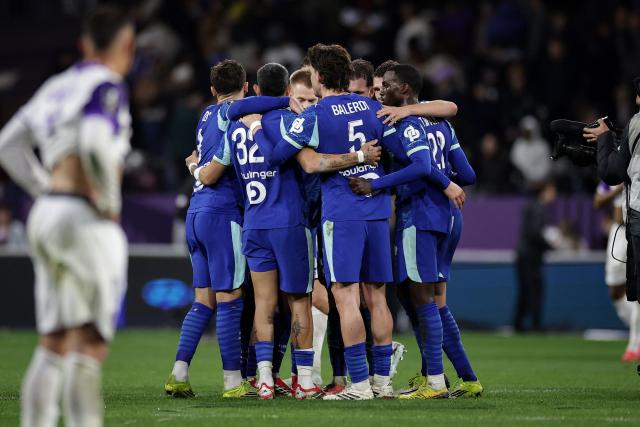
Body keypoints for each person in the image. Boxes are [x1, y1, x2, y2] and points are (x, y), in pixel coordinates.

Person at [198, 61, 382, 399]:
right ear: (286, 92)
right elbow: (308, 165)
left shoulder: (236, 128)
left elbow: (216, 170)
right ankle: (305, 381)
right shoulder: (292, 122)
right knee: (300, 301)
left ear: (255, 90)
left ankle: (264, 378)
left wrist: (195, 167)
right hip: (290, 224)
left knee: (264, 304)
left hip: (254, 223)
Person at [0, 7, 134, 426]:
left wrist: (43, 189)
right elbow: (95, 143)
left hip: (47, 212)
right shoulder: (107, 85)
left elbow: (7, 144)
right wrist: (108, 203)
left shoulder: (56, 85)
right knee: (89, 344)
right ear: (126, 47)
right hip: (83, 217)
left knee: (54, 340)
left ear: (84, 44)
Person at [244, 44, 398, 400]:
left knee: (344, 296)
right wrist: (364, 159)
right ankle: (383, 382)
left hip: (342, 213)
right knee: (377, 297)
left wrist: (256, 128)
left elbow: (282, 156)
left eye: (312, 70)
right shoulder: (373, 107)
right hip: (377, 211)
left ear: (320, 76)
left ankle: (358, 384)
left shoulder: (315, 116)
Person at [166, 60, 292, 399]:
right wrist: (289, 99)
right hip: (223, 214)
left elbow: (202, 161)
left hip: (196, 212)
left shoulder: (206, 115)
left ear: (211, 89)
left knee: (202, 301)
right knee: (230, 298)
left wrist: (194, 166)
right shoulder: (230, 111)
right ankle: (233, 381)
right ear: (248, 86)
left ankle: (179, 372)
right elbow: (272, 102)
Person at [349, 64, 465, 400]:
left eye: (378, 87)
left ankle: (428, 377)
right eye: (368, 90)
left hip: (398, 215)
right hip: (392, 215)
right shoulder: (371, 116)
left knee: (413, 298)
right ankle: (444, 374)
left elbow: (450, 109)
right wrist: (446, 182)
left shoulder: (398, 116)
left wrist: (406, 110)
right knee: (403, 296)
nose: (375, 93)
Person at [594, 183, 640, 361]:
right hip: (618, 233)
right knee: (615, 290)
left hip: (635, 229)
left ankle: (634, 344)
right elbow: (597, 201)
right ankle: (635, 329)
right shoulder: (614, 174)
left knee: (635, 288)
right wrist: (620, 188)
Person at [513, 181, 557, 332]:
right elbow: (535, 234)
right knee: (533, 291)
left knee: (526, 291)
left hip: (524, 255)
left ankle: (518, 324)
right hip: (530, 257)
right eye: (552, 191)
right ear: (544, 191)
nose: (554, 195)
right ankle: (535, 325)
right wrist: (551, 245)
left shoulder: (533, 207)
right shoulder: (537, 208)